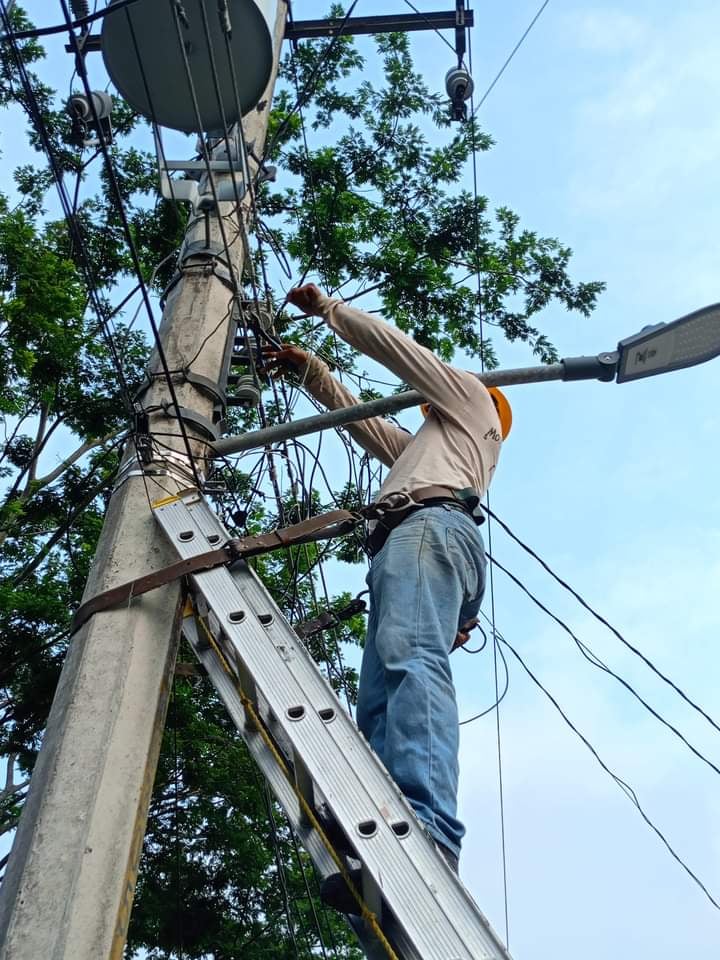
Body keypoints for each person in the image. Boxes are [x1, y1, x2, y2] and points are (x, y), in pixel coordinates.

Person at [265, 283, 511, 911]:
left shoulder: (471, 399)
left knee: (409, 661)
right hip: (417, 536)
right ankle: (378, 831)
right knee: (375, 697)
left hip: (426, 530)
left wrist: (329, 312)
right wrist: (312, 372)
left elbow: (402, 355)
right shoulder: (429, 452)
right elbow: (367, 424)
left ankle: (426, 828)